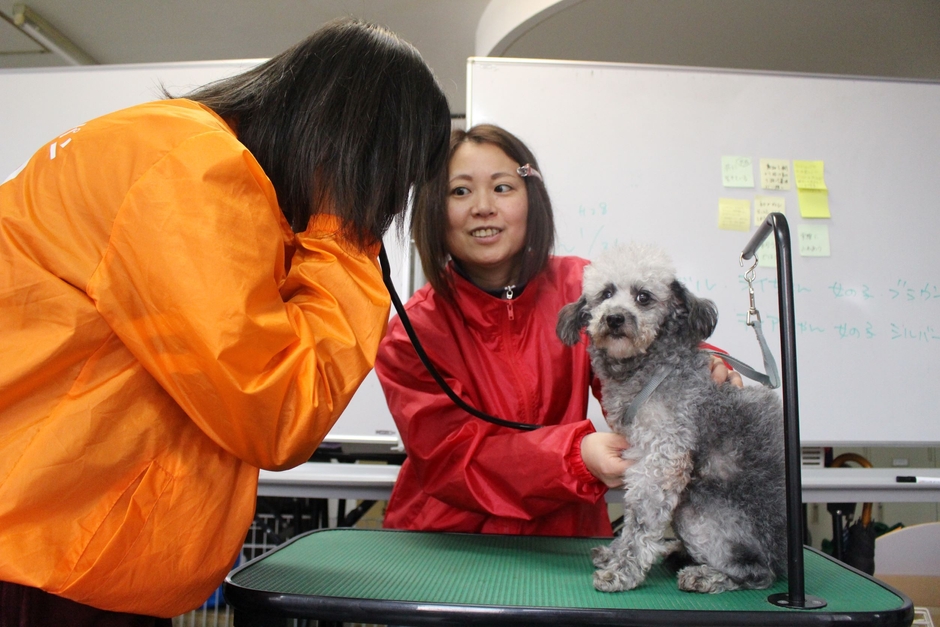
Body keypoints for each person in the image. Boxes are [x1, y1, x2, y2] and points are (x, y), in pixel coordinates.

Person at [0, 18, 450, 625]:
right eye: (392, 183)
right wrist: (345, 237)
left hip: (44, 540)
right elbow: (279, 407)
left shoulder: (172, 148)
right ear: (363, 150)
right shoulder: (194, 171)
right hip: (40, 557)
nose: (389, 206)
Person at [375, 124, 740, 537]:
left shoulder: (580, 288)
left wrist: (706, 365)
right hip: (449, 541)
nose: (482, 207)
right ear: (433, 211)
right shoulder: (412, 333)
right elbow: (452, 459)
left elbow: (650, 357)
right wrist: (574, 458)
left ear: (532, 198)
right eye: (459, 191)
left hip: (564, 539)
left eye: (502, 187)